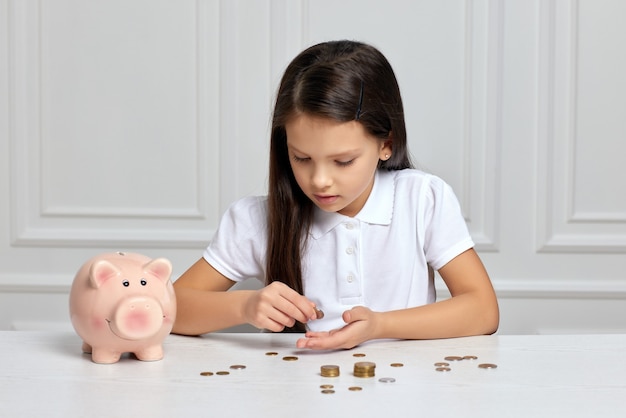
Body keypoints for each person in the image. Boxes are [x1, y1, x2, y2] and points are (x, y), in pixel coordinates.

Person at [172, 40, 499, 350]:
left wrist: (379, 326)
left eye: (343, 161)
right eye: (301, 158)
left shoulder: (422, 199)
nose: (320, 181)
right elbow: (169, 307)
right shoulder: (255, 219)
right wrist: (244, 306)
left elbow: (482, 310)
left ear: (386, 144)